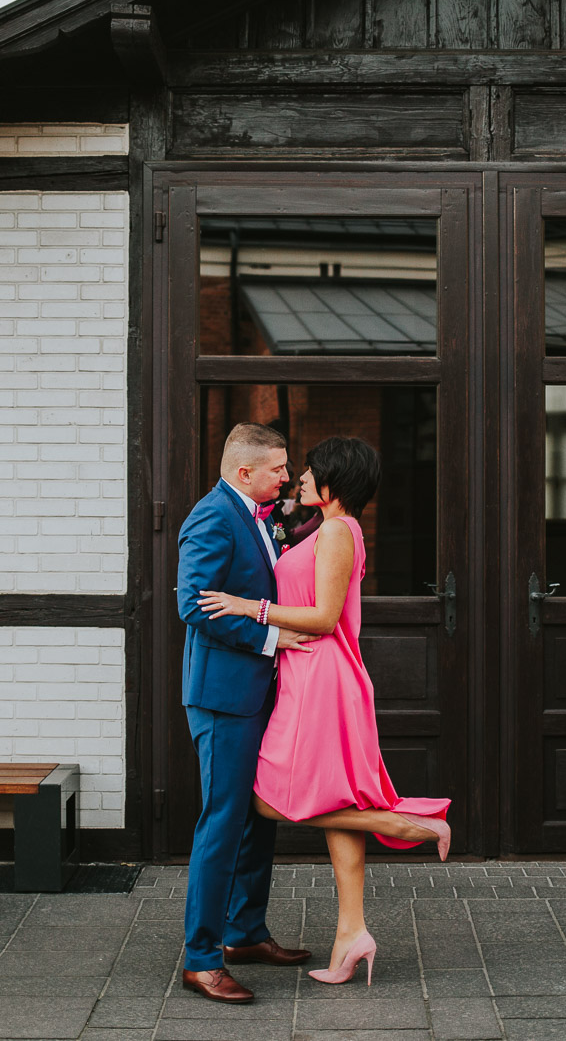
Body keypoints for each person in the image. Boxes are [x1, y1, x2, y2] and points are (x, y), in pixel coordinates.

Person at [197, 436, 451, 989]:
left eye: (309, 472)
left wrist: (250, 607)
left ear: (335, 482)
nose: (298, 479)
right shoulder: (325, 528)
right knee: (334, 801)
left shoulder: (338, 531)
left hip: (321, 675)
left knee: (266, 802)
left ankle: (412, 825)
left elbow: (323, 616)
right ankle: (351, 935)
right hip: (306, 673)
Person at [176, 423, 319, 1005]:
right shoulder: (212, 518)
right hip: (223, 699)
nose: (287, 478)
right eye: (279, 469)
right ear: (244, 473)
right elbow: (194, 604)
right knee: (223, 820)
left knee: (259, 817)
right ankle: (202, 958)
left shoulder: (259, 516)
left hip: (260, 696)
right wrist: (272, 640)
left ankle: (245, 932)